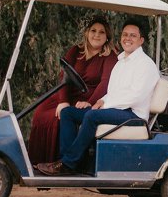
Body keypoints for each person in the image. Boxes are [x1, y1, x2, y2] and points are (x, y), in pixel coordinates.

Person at [37, 18, 160, 176]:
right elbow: (113, 91)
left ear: (141, 40)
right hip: (116, 109)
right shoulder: (121, 62)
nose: (127, 38)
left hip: (133, 114)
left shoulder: (145, 64)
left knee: (92, 115)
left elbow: (135, 96)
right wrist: (101, 101)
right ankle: (67, 162)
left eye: (133, 35)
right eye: (125, 34)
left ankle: (68, 164)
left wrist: (105, 104)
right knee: (68, 112)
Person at [26, 17, 118, 165]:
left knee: (59, 117)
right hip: (67, 95)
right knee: (40, 113)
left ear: (107, 36)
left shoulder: (110, 55)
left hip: (88, 99)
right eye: (93, 31)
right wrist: (63, 101)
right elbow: (64, 75)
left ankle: (61, 162)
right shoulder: (76, 50)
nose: (97, 35)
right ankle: (38, 161)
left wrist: (89, 102)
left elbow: (105, 83)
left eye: (102, 32)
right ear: (87, 33)